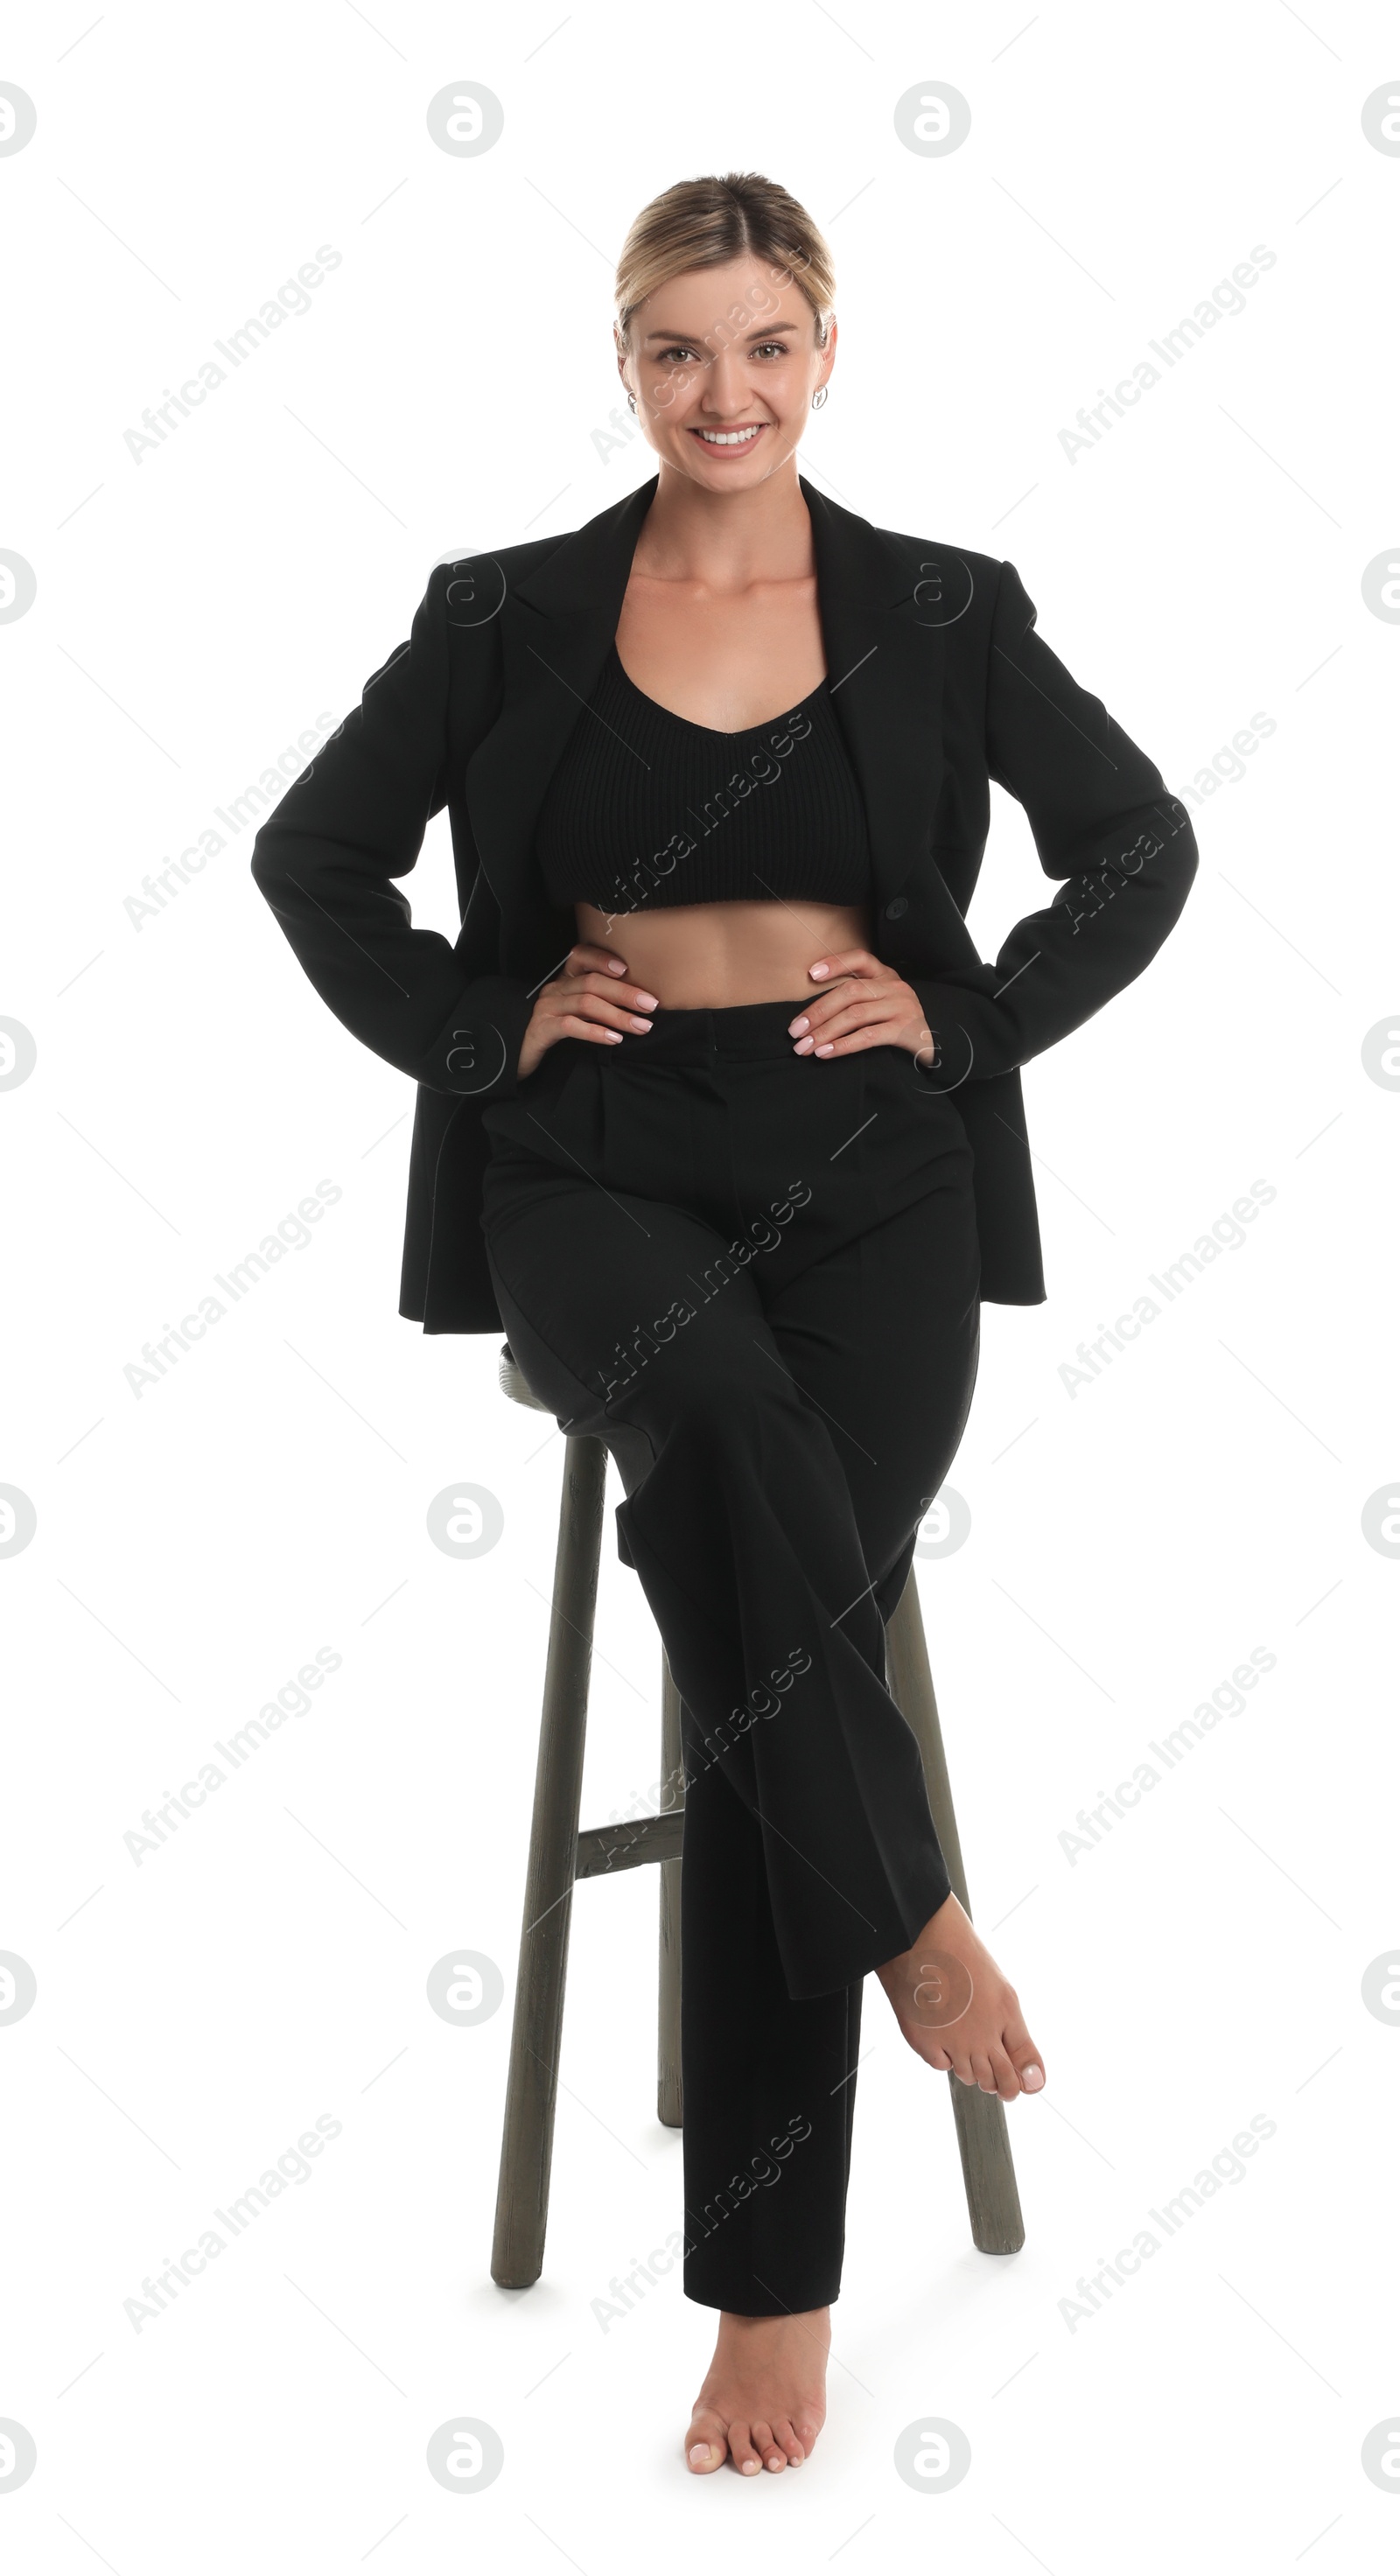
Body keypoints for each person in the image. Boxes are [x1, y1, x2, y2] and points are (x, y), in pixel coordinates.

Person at [249, 170, 1198, 2480]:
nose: (726, 391)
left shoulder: (944, 612)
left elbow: (1138, 845)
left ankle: (778, 2267)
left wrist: (960, 1032)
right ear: (627, 362)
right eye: (680, 348)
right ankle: (905, 1957)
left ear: (826, 354)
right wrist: (490, 1034)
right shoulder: (501, 617)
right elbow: (312, 859)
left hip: (870, 1161)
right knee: (756, 1512)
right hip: (595, 1159)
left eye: (766, 345)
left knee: (765, 1606)